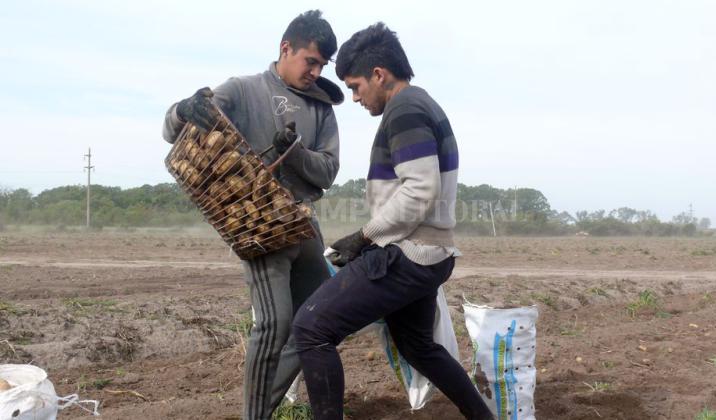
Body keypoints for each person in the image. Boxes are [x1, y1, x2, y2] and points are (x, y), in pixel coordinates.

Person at [292, 23, 495, 420]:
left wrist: (364, 237)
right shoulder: (422, 104)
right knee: (417, 344)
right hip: (433, 253)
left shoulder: (405, 111)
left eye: (355, 86)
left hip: (409, 253)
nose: (354, 97)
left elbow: (420, 189)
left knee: (312, 329)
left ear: (379, 75)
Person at [161, 10, 343, 420]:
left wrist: (292, 152)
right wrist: (183, 110)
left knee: (318, 322)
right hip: (259, 224)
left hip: (304, 224)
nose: (314, 72)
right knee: (274, 324)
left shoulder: (321, 109)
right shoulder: (243, 90)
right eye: (309, 61)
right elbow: (173, 129)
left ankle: (259, 410)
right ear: (285, 49)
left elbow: (329, 171)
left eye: (321, 66)